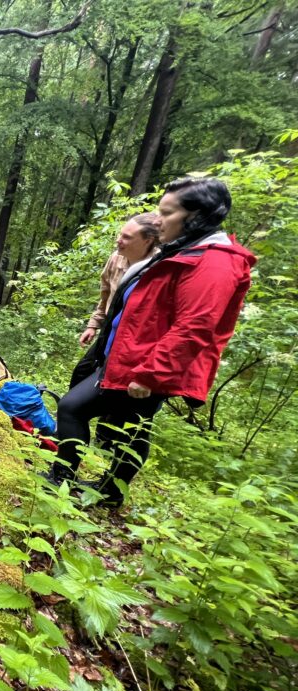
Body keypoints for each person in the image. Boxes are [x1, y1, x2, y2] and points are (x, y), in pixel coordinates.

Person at [49, 177, 255, 506]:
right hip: (125, 358)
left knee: (102, 419)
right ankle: (94, 485)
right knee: (120, 424)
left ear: (196, 216)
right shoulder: (183, 250)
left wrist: (151, 375)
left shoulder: (214, 262)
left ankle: (87, 486)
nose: (158, 221)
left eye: (167, 213)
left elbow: (195, 327)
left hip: (147, 368)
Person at [69, 212, 160, 389]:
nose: (118, 240)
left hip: (132, 342)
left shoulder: (159, 267)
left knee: (111, 384)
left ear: (147, 241)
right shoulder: (116, 259)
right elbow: (105, 295)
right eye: (120, 234)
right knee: (81, 372)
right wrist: (93, 325)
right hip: (108, 331)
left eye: (127, 237)